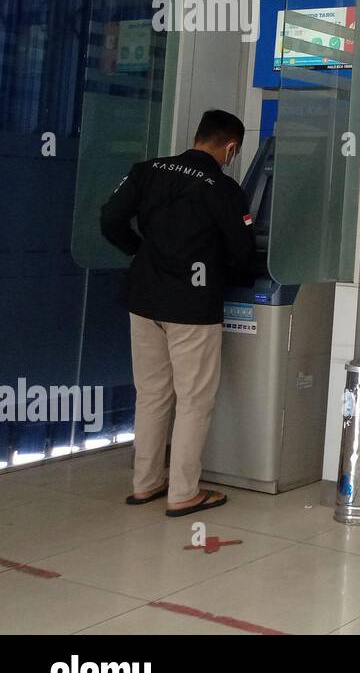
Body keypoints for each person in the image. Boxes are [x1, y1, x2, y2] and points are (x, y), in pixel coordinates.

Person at [100, 109, 255, 517]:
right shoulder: (224, 189)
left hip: (144, 297)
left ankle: (146, 483)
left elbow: (110, 218)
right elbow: (243, 251)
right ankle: (184, 492)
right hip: (192, 305)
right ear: (231, 147)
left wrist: (142, 253)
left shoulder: (146, 170)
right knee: (193, 400)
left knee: (151, 394)